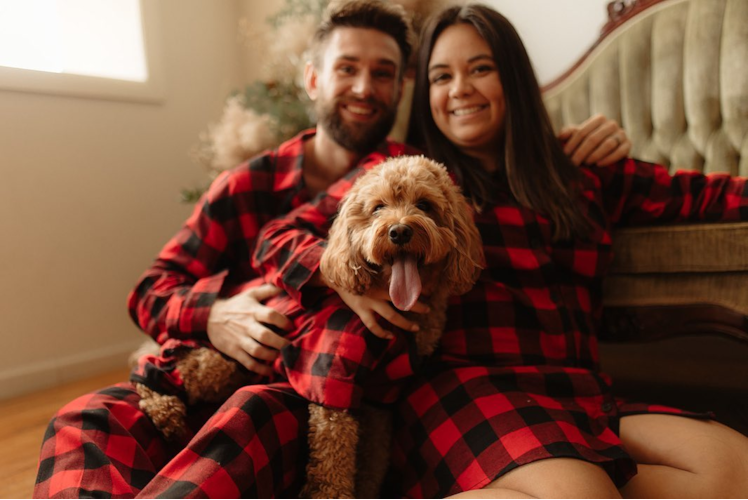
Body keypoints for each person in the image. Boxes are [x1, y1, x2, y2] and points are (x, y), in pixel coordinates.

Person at [34, 2, 629, 498]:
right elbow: (149, 292)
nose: (365, 88)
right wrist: (216, 314)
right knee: (83, 420)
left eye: (384, 73)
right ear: (313, 79)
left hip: (299, 390)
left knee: (249, 419)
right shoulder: (247, 184)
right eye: (347, 68)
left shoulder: (406, 174)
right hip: (202, 362)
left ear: (401, 89)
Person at [250, 3, 748, 500]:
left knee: (735, 470)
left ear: (513, 77)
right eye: (441, 76)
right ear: (427, 94)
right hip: (464, 391)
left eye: (480, 68)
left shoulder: (581, 171)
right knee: (582, 494)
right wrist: (340, 279)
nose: (460, 88)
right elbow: (276, 235)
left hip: (579, 390)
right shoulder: (407, 176)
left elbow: (706, 194)